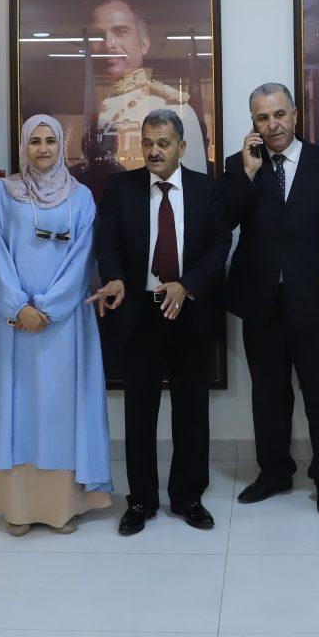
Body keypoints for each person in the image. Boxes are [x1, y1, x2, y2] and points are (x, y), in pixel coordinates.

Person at [0, 114, 112, 536]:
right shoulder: (2, 194)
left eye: (51, 140)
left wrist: (47, 308)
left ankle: (61, 508)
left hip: (63, 327)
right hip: (11, 325)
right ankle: (17, 508)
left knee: (58, 412)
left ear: (62, 145)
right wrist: (18, 307)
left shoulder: (81, 198)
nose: (43, 148)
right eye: (35, 141)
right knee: (16, 411)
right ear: (23, 146)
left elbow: (84, 258)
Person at [91, 108, 230, 535]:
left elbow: (219, 246)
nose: (153, 151)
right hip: (140, 312)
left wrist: (186, 286)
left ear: (181, 147)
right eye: (148, 143)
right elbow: (107, 242)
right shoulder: (121, 188)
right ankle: (141, 501)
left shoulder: (207, 189)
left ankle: (188, 498)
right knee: (139, 410)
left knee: (192, 409)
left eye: (163, 144)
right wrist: (115, 277)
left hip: (189, 310)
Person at [223, 83, 319, 518]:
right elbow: (223, 221)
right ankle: (274, 472)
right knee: (268, 394)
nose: (273, 125)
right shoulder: (239, 165)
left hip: (318, 298)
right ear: (253, 123)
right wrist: (246, 175)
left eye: (279, 114)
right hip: (261, 300)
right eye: (262, 118)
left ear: (295, 114)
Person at [80, 0, 207, 184]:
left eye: (121, 32)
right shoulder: (104, 107)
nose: (108, 44)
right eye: (99, 36)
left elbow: (194, 185)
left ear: (144, 44)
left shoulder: (173, 107)